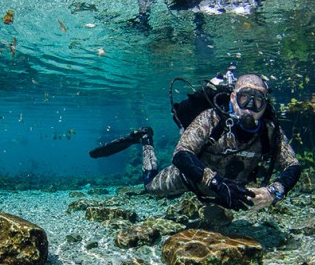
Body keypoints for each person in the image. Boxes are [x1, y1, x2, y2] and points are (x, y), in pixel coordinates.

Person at [89, 74, 301, 211]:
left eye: (258, 100)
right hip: (189, 179)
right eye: (245, 98)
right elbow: (181, 154)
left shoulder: (270, 131)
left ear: (265, 105)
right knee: (150, 186)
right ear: (233, 98)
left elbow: (292, 165)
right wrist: (216, 182)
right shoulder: (212, 118)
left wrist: (274, 192)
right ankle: (145, 140)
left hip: (229, 189)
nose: (250, 107)